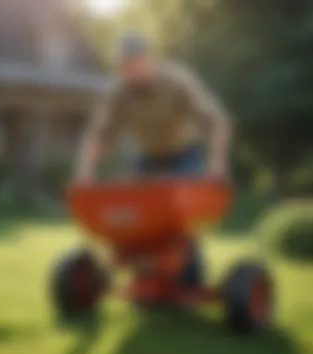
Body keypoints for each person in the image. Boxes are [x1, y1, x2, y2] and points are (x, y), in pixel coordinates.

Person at [74, 32, 232, 288]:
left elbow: (216, 121)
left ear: (149, 59)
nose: (129, 69)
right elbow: (99, 134)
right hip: (148, 157)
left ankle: (190, 276)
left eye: (134, 62)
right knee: (137, 219)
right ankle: (146, 274)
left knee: (179, 225)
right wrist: (85, 173)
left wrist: (217, 163)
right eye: (124, 64)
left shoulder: (177, 80)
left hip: (184, 155)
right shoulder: (120, 91)